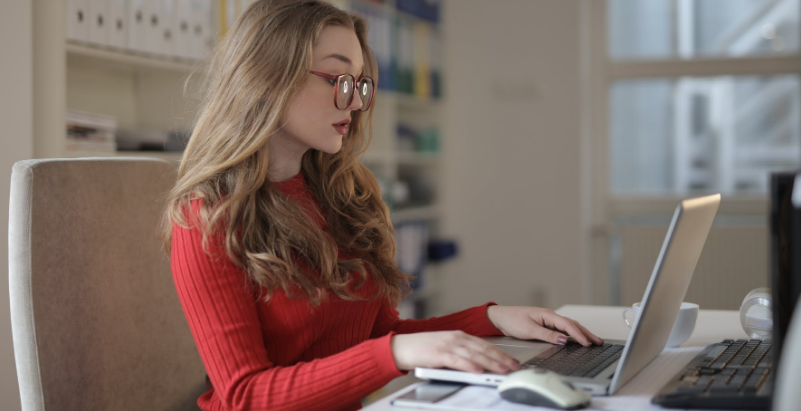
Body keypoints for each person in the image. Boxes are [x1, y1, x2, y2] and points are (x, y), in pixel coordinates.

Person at [162, 1, 603, 410]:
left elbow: (377, 338)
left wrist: (491, 318)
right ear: (269, 77)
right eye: (339, 80)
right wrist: (393, 352)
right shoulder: (208, 216)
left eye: (359, 84)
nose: (355, 102)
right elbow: (244, 395)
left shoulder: (343, 193)